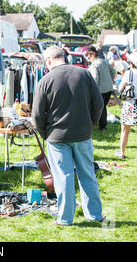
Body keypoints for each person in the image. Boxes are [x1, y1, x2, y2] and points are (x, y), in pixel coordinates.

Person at [32, 46, 105, 226]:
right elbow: (99, 104)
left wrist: (46, 134)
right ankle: (94, 215)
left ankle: (65, 218)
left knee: (63, 178)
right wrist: (90, 124)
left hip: (57, 137)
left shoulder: (45, 80)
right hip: (81, 134)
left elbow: (37, 115)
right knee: (87, 175)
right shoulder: (84, 74)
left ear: (48, 61)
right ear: (64, 57)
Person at [86, 46, 116, 131]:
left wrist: (91, 90)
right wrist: (111, 80)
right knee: (103, 107)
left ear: (92, 55)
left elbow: (95, 78)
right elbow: (113, 72)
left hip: (100, 90)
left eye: (88, 57)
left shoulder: (95, 65)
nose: (88, 59)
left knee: (100, 108)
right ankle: (101, 124)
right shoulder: (104, 61)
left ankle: (102, 126)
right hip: (109, 88)